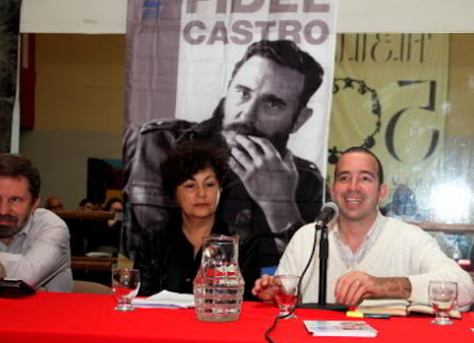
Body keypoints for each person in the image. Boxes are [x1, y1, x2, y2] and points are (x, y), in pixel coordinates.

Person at [123, 39, 325, 270]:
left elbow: (307, 272)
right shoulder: (158, 143)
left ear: (299, 119)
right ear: (228, 89)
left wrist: (279, 206)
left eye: (272, 104)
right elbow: (147, 249)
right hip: (164, 287)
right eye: (243, 92)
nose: (246, 115)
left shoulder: (306, 180)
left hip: (249, 291)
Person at [251, 147, 474, 308]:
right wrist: (274, 295)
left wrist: (384, 286)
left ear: (382, 192)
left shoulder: (409, 238)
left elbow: (466, 288)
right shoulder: (307, 237)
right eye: (344, 178)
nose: (353, 187)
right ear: (333, 190)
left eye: (365, 178)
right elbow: (284, 298)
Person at [134, 138, 258, 299]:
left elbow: (246, 302)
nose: (201, 194)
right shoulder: (153, 238)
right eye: (190, 186)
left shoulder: (242, 242)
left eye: (209, 184)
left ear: (220, 190)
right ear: (173, 194)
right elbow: (142, 298)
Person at [0, 153, 73, 292]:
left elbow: (25, 277)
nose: (3, 211)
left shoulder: (52, 227)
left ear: (34, 203)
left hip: (47, 307)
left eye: (15, 199)